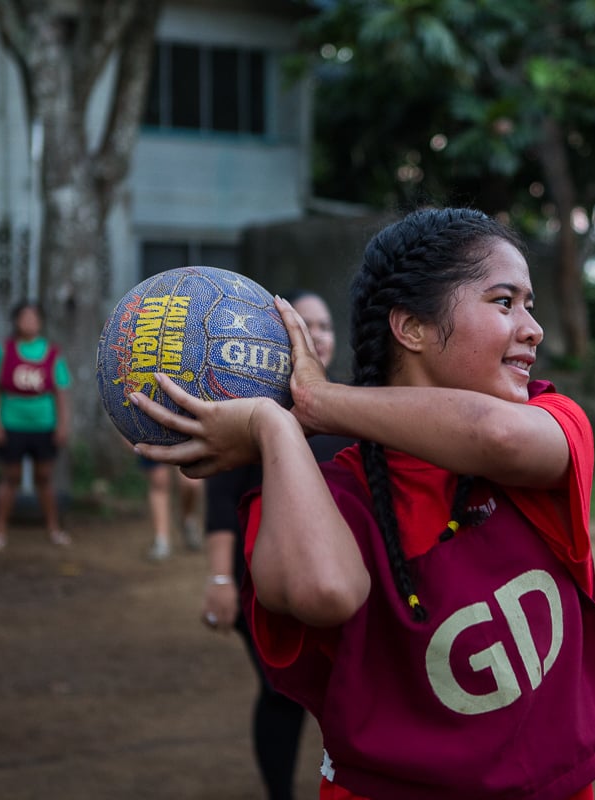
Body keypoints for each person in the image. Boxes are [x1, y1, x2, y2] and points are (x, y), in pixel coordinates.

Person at [132, 208, 595, 799]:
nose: (532, 328)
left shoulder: (551, 421)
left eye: (530, 305)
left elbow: (494, 436)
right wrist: (276, 426)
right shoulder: (325, 491)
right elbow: (325, 591)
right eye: (504, 302)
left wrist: (319, 402)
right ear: (412, 327)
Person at [200, 289, 353, 800]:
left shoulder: (356, 413)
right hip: (266, 588)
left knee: (352, 697)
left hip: (344, 586)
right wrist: (221, 579)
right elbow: (221, 503)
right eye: (302, 326)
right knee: (280, 694)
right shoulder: (248, 416)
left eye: (324, 326)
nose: (316, 337)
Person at [0, 299, 72, 551]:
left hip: (44, 424)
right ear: (16, 321)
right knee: (10, 477)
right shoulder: (2, 351)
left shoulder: (52, 353)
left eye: (34, 318)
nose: (29, 322)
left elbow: (61, 391)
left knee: (44, 477)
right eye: (25, 317)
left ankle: (54, 529)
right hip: (12, 423)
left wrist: (63, 423)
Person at [142, 458, 205, 562]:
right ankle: (161, 540)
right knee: (159, 480)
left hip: (183, 441)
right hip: (153, 441)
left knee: (191, 483)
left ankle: (187, 520)